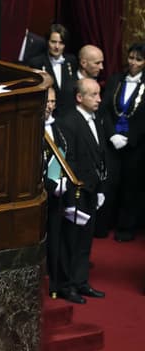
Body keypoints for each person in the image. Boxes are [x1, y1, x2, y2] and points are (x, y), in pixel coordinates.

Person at [55, 78, 107, 303]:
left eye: (98, 94)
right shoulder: (68, 122)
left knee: (85, 240)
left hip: (93, 190)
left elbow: (100, 155)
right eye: (93, 95)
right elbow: (70, 161)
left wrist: (101, 187)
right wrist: (78, 189)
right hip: (77, 191)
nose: (99, 99)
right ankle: (67, 286)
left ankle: (81, 281)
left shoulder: (96, 120)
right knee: (71, 240)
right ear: (79, 97)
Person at [100, 42, 145, 242]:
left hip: (136, 145)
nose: (133, 62)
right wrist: (112, 135)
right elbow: (105, 111)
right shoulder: (116, 79)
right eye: (131, 57)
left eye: (138, 59)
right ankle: (104, 223)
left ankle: (126, 227)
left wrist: (130, 138)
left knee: (131, 186)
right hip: (113, 143)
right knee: (110, 183)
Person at [43, 87, 71, 299]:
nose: (50, 106)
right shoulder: (32, 127)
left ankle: (58, 282)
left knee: (56, 239)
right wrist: (50, 185)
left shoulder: (58, 126)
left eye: (53, 102)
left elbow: (63, 154)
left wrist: (61, 181)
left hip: (58, 193)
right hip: (41, 194)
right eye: (46, 102)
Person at [27, 24, 79, 117]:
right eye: (53, 42)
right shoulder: (37, 63)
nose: (57, 46)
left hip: (69, 115)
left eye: (61, 43)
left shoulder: (71, 61)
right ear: (47, 42)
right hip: (48, 115)